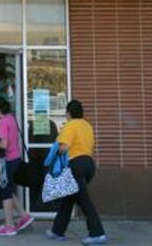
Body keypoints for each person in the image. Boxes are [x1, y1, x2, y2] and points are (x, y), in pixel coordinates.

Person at [45, 100, 106, 244]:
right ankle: (57, 231)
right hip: (89, 164)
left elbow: (64, 147)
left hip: (75, 165)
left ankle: (97, 233)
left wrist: (55, 149)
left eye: (66, 113)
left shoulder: (70, 125)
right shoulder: (87, 125)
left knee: (84, 201)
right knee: (69, 199)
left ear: (68, 113)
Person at [0, 97, 33, 236]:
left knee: (5, 191)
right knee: (8, 189)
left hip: (7, 161)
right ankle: (24, 216)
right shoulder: (11, 118)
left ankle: (9, 226)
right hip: (16, 159)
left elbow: (3, 144)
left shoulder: (2, 121)